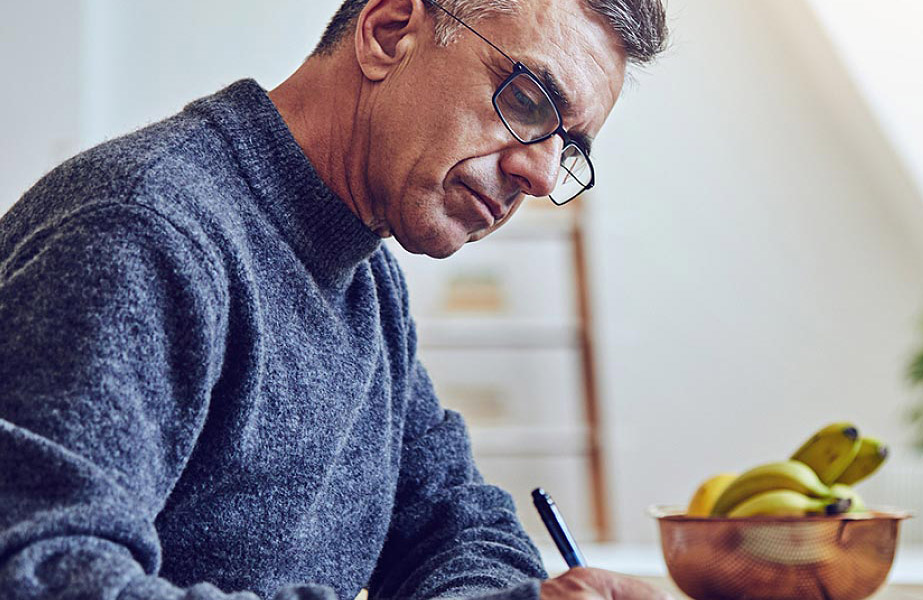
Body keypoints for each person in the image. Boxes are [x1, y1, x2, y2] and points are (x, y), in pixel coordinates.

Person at [0, 0, 668, 598]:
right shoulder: (144, 230)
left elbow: (454, 527)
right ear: (387, 33)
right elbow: (42, 570)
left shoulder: (365, 278)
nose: (542, 173)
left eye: (569, 148)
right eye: (526, 101)